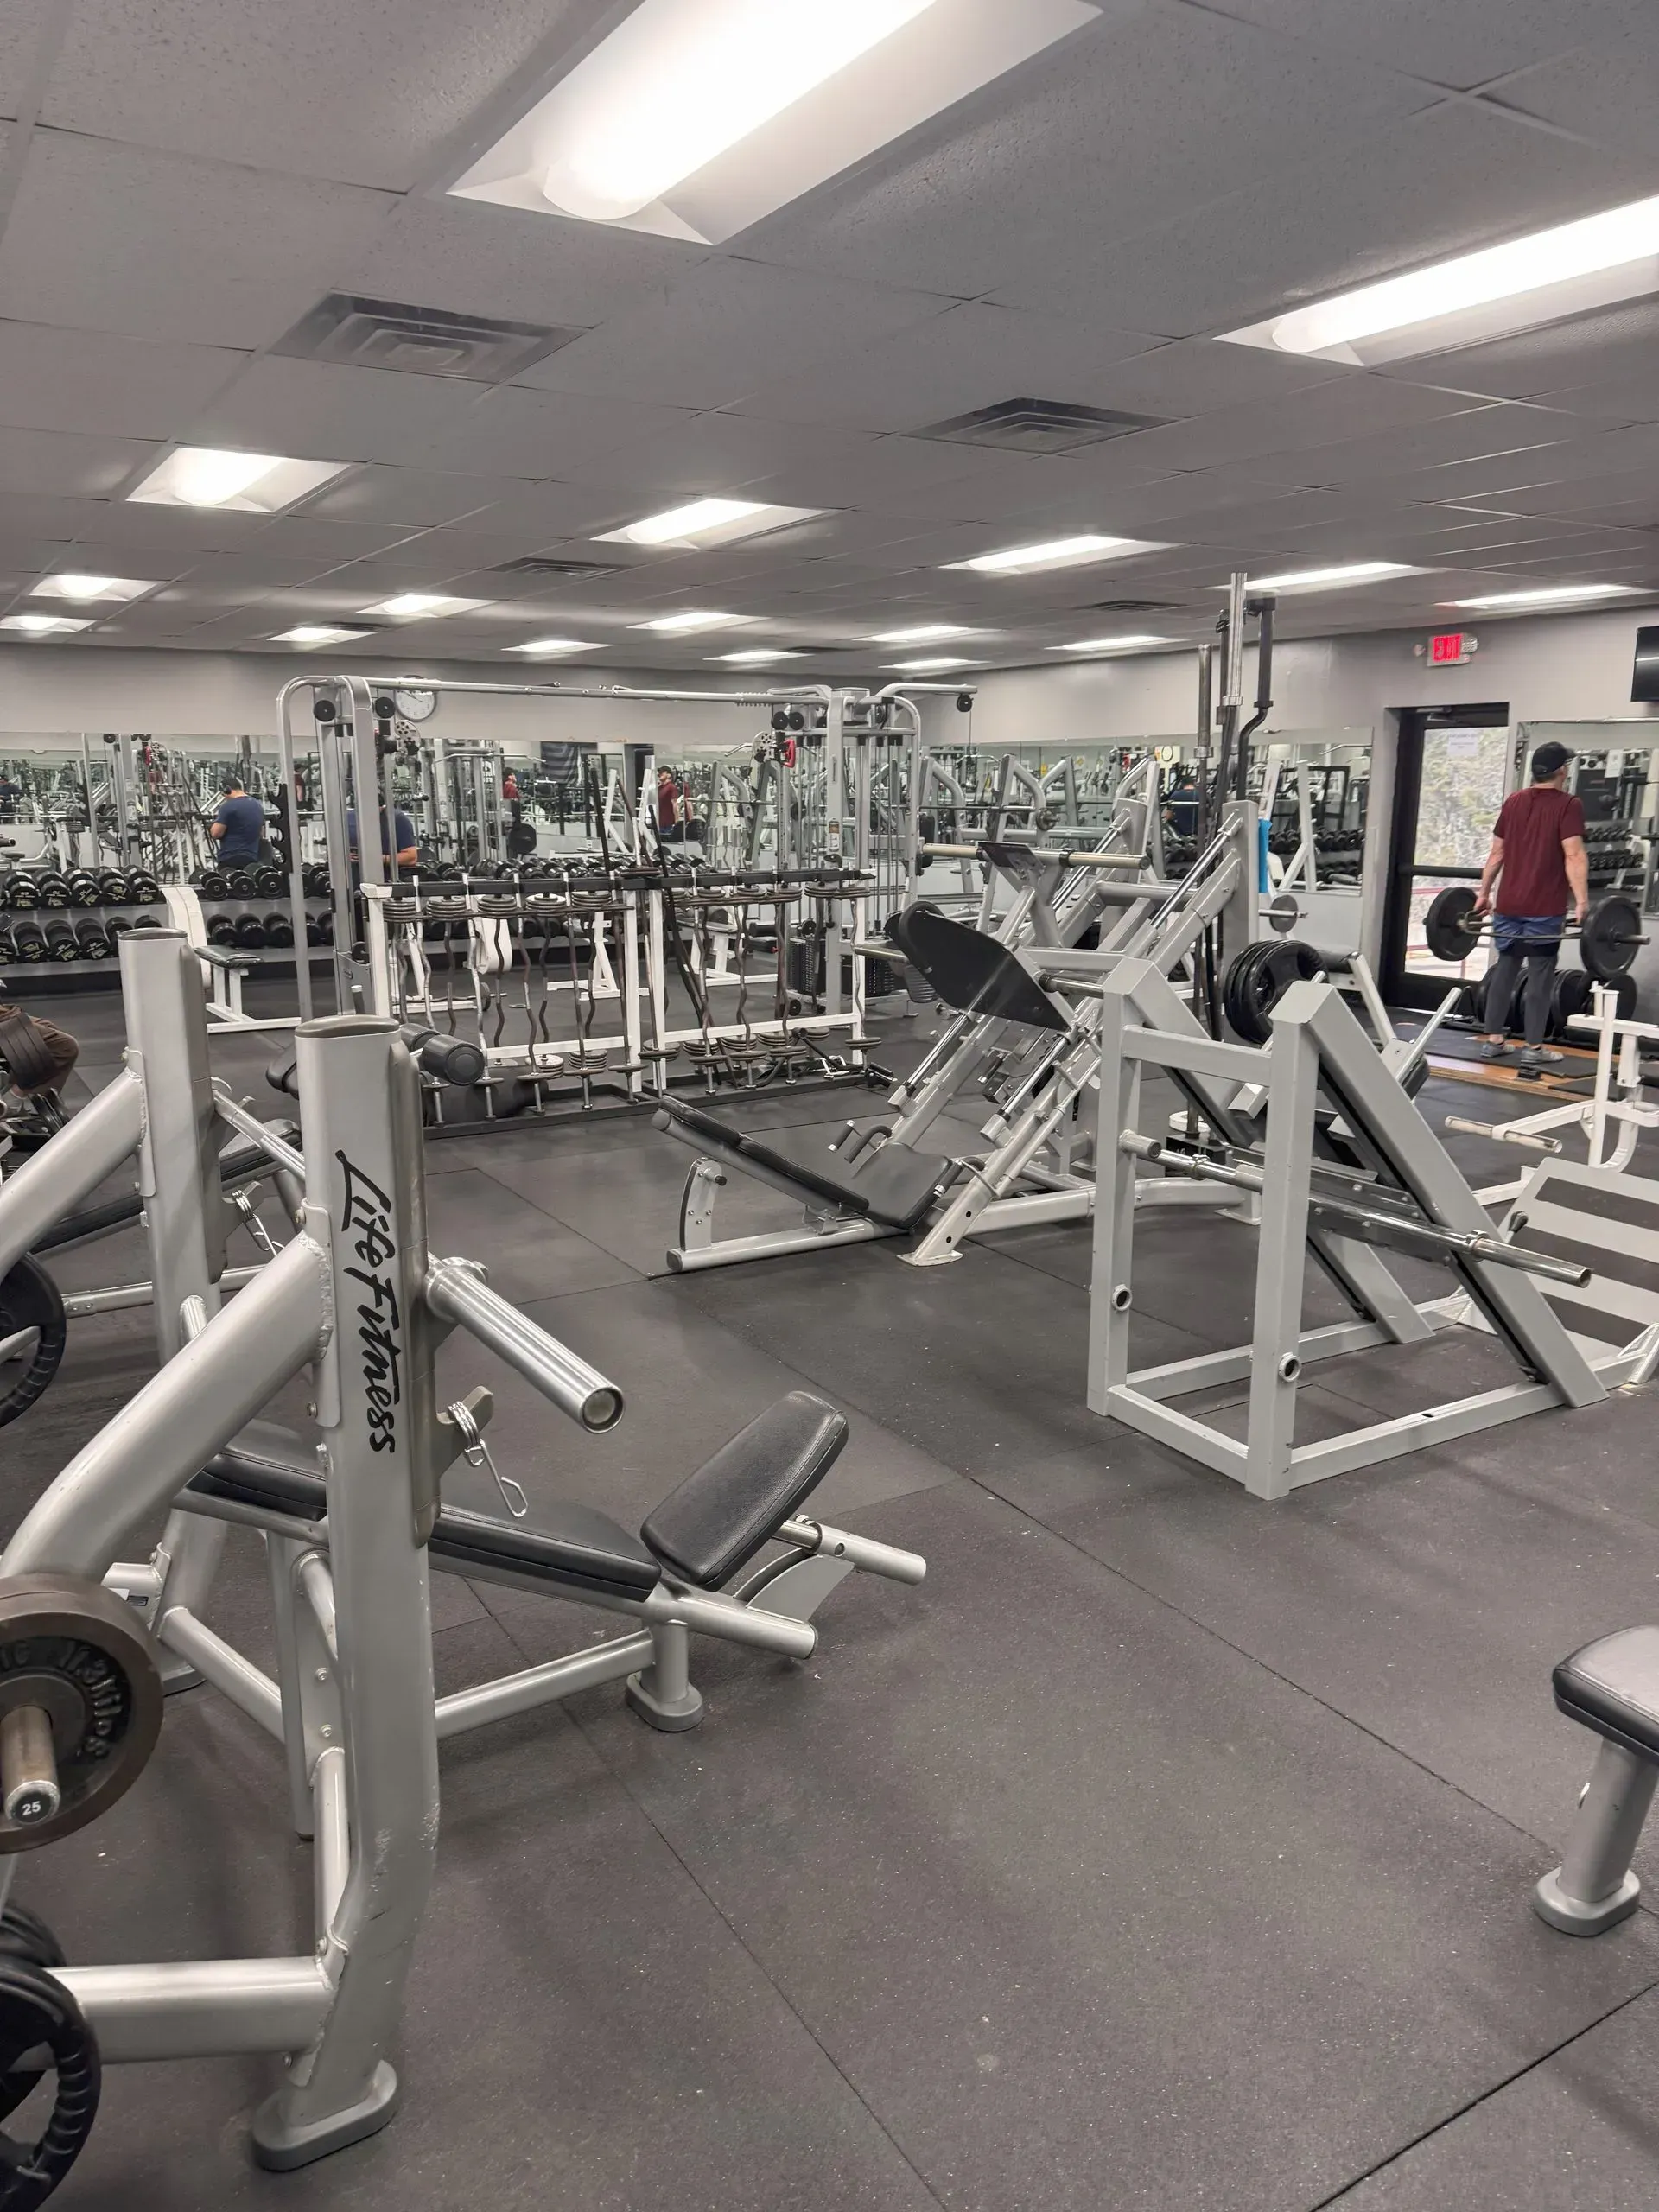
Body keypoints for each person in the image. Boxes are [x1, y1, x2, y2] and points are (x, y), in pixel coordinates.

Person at [1472, 740, 1589, 1068]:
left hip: (1508, 904)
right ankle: (1534, 1048)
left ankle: (1494, 1040)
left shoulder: (1514, 801)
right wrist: (1582, 902)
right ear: (1562, 770)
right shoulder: (1569, 805)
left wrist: (1484, 893)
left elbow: (1497, 853)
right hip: (1543, 907)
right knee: (1539, 976)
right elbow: (1574, 854)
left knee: (1505, 969)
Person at [209, 777, 266, 868]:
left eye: (223, 794)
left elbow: (216, 834)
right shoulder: (257, 805)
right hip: (252, 858)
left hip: (230, 858)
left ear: (227, 789)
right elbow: (261, 833)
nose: (224, 797)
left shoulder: (228, 806)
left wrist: (212, 826)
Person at [345, 803, 419, 872]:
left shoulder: (397, 819)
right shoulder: (347, 818)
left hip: (386, 879)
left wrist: (379, 858)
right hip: (352, 878)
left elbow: (411, 857)